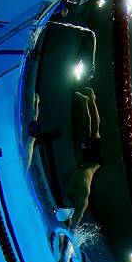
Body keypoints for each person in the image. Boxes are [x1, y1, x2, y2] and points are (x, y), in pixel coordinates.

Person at [55, 86, 102, 230]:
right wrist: (70, 234)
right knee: (94, 129)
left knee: (85, 127)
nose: (64, 200)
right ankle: (92, 99)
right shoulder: (81, 199)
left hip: (84, 159)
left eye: (61, 203)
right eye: (65, 204)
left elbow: (66, 207)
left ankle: (84, 101)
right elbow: (76, 220)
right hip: (94, 160)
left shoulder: (68, 194)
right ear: (70, 208)